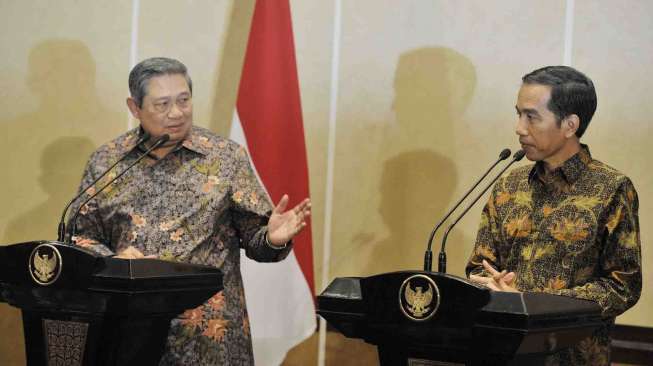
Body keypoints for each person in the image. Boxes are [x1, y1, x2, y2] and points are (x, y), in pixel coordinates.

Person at [69, 57, 311, 365]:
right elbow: (79, 238)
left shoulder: (225, 158)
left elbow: (257, 242)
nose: (177, 113)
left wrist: (273, 239)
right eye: (162, 104)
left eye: (184, 100)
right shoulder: (107, 162)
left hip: (209, 339)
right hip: (130, 333)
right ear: (134, 108)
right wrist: (113, 262)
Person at [466, 66, 641, 365]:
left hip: (572, 356)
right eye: (518, 114)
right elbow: (479, 267)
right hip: (503, 352)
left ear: (570, 124)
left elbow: (622, 285)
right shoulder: (509, 184)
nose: (519, 128)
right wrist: (490, 286)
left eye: (531, 116)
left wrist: (537, 303)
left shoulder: (611, 188)